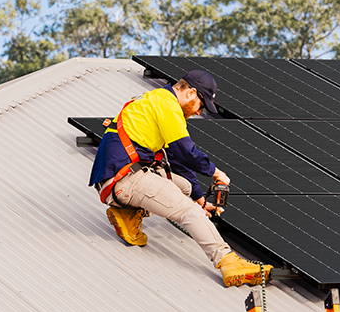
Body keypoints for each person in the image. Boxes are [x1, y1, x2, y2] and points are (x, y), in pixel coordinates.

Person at [89, 70, 272, 287]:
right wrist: (215, 172)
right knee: (188, 211)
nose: (197, 113)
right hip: (127, 179)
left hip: (118, 178)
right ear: (191, 93)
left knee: (185, 188)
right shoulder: (167, 105)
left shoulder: (155, 100)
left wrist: (201, 199)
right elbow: (186, 151)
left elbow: (176, 159)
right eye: (200, 106)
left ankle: (126, 213)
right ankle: (228, 263)